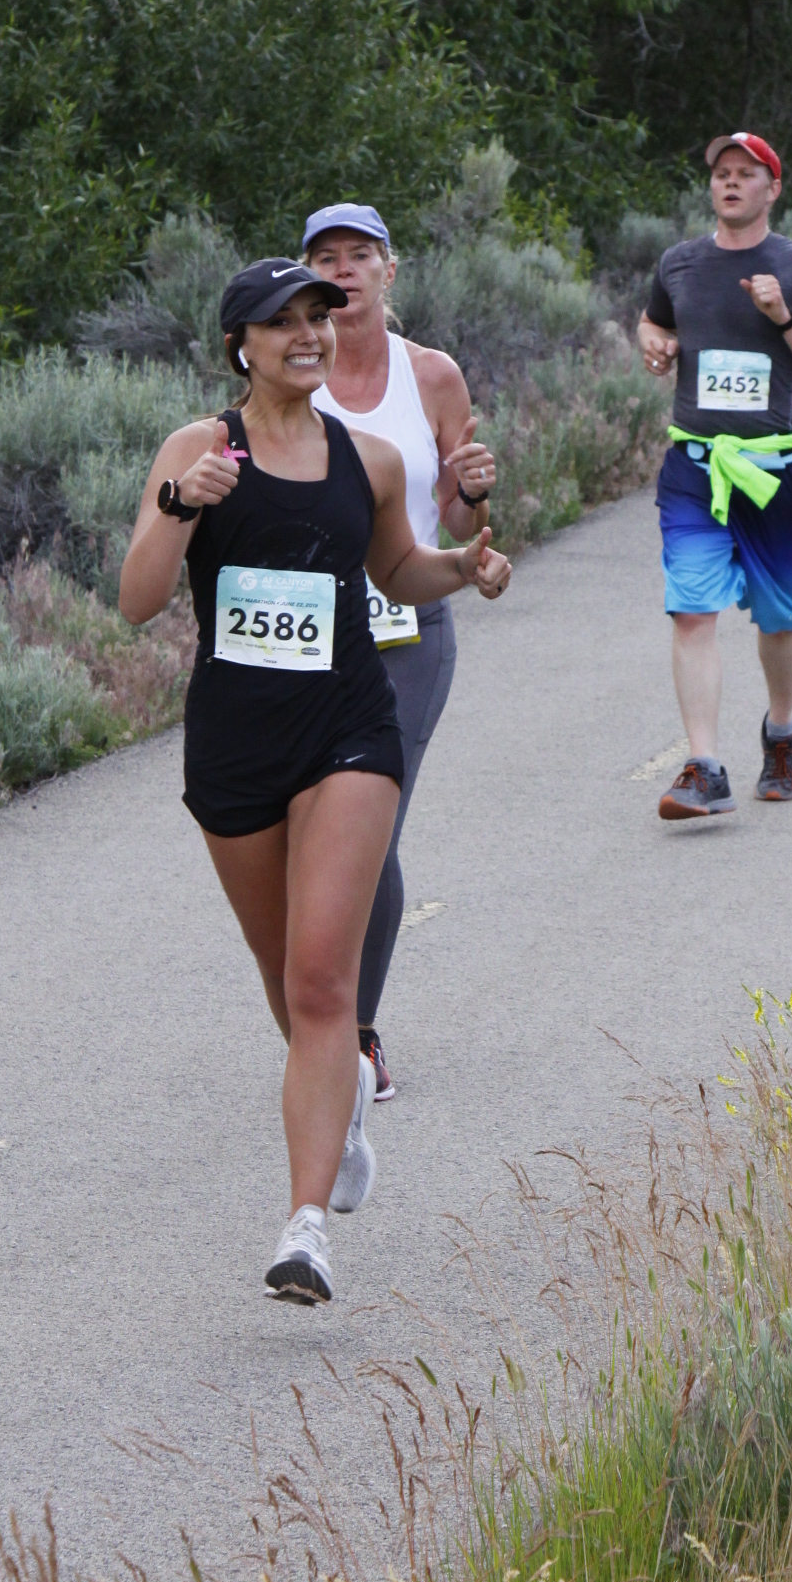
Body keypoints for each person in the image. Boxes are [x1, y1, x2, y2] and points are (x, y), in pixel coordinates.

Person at [118, 259, 511, 1306]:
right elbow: (136, 600)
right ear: (238, 346)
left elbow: (399, 570)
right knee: (287, 983)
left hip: (348, 729)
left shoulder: (365, 458)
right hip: (236, 746)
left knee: (325, 984)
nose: (308, 335)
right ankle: (339, 1106)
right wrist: (179, 506)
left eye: (318, 318)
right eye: (282, 322)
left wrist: (463, 567)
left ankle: (305, 1229)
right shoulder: (199, 451)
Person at [301, 202, 497, 1103]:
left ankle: (358, 1035)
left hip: (408, 632)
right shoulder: (290, 370)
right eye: (326, 259)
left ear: (389, 270)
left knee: (369, 831)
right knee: (303, 833)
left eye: (359, 256)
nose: (343, 271)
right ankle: (315, 1016)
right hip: (308, 632)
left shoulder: (431, 375)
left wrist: (472, 492)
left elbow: (456, 515)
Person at [637, 132, 792, 818]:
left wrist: (783, 317)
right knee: (691, 610)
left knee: (780, 619)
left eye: (745, 173)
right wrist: (656, 345)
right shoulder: (680, 263)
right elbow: (651, 322)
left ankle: (780, 732)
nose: (730, 182)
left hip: (775, 470)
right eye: (721, 173)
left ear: (772, 189)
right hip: (696, 467)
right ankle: (704, 765)